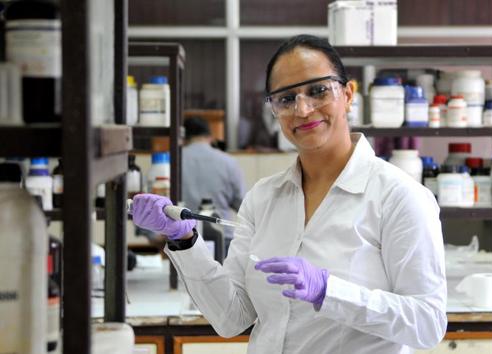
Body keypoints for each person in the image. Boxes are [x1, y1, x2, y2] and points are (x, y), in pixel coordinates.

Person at [130, 34, 447, 353]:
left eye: (318, 90)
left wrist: (329, 292)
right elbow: (231, 317)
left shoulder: (399, 197)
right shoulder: (263, 198)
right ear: (274, 109)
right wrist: (184, 241)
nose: (303, 109)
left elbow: (428, 323)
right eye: (286, 98)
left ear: (348, 94)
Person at [181, 116, 246, 243]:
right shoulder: (228, 162)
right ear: (210, 137)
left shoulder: (172, 161)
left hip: (184, 239)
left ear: (183, 139)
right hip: (221, 239)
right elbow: (243, 205)